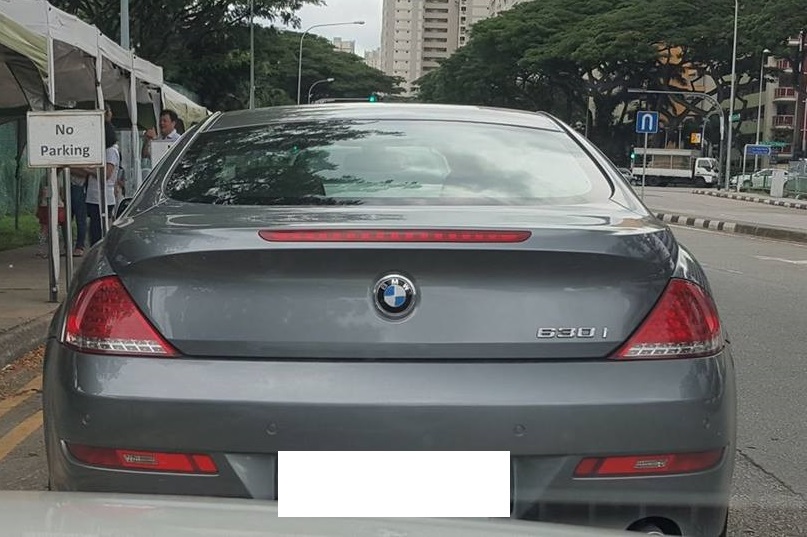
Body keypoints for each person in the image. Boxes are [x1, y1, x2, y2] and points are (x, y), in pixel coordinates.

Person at [86, 122, 120, 246]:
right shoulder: (101, 151)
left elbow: (107, 174)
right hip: (94, 196)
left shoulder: (111, 151)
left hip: (104, 196)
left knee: (98, 231)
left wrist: (87, 169)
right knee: (94, 230)